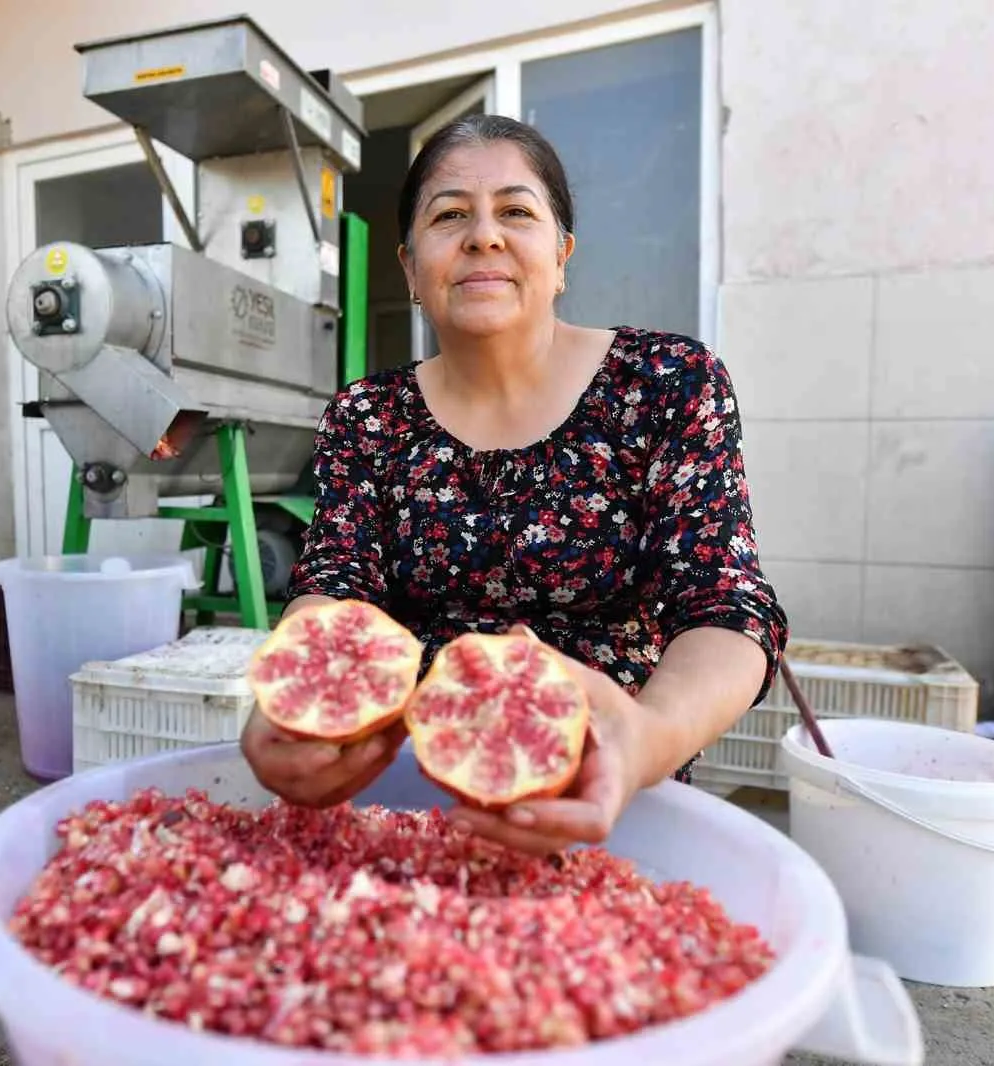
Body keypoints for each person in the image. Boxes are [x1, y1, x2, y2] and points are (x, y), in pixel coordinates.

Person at [240, 114, 789, 855]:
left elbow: (726, 604)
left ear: (561, 256)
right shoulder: (366, 418)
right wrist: (294, 695)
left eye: (517, 211)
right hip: (410, 797)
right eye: (450, 215)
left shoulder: (668, 385)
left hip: (614, 797)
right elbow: (337, 587)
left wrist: (650, 738)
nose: (483, 236)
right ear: (409, 267)